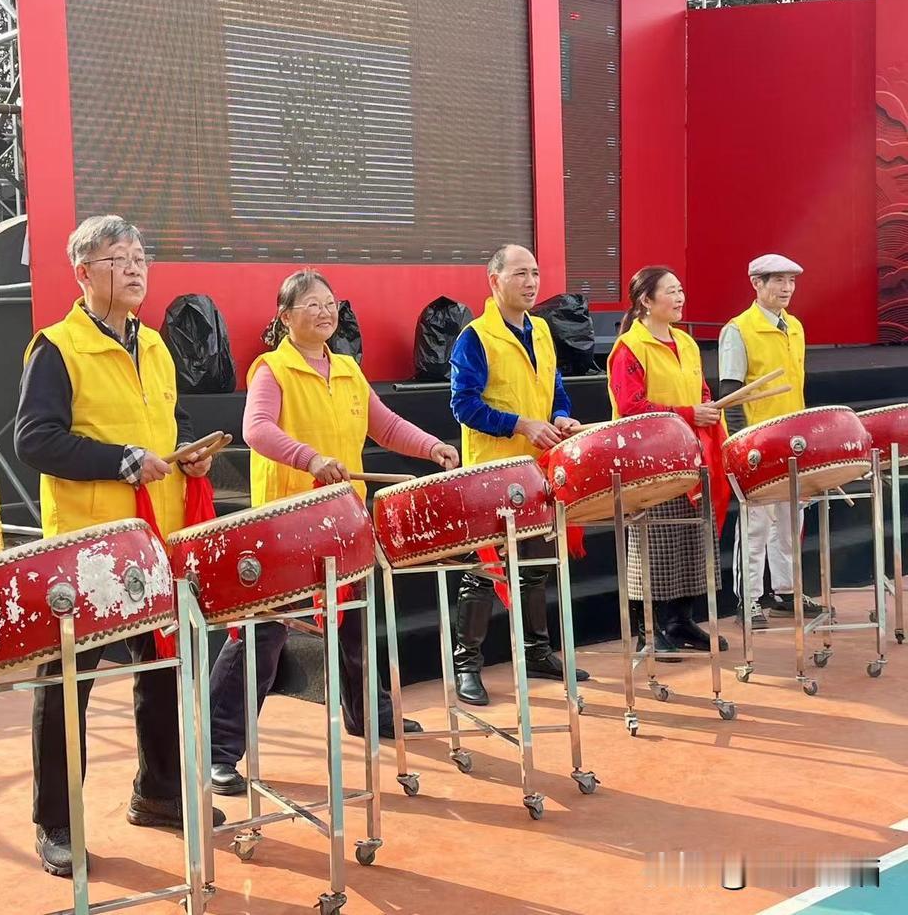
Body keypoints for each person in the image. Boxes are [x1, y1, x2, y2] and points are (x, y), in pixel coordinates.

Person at [14, 215, 224, 878]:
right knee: (67, 684)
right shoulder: (56, 347)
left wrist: (186, 455)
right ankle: (56, 822)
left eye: (140, 256)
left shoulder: (156, 345)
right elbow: (34, 439)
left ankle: (158, 791)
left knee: (161, 668)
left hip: (153, 538)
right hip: (89, 546)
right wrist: (120, 460)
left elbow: (168, 421)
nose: (135, 268)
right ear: (82, 273)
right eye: (118, 258)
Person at [205, 268, 459, 795]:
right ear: (285, 317)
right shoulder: (271, 370)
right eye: (312, 304)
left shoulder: (346, 369)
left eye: (331, 304)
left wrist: (430, 446)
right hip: (285, 524)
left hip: (345, 520)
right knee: (262, 635)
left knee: (357, 624)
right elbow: (256, 430)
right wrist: (311, 458)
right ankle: (218, 749)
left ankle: (370, 715)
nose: (325, 312)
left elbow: (385, 426)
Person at [448, 244, 590, 706]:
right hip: (490, 474)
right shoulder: (475, 337)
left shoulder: (544, 331)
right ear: (494, 281)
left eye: (535, 273)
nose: (531, 282)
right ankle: (467, 665)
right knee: (483, 571)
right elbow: (463, 405)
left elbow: (556, 390)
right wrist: (520, 424)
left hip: (538, 470)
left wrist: (562, 416)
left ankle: (535, 652)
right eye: (520, 274)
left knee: (534, 567)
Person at [607, 266, 728, 654]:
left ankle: (680, 621)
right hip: (650, 462)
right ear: (646, 300)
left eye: (681, 291)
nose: (680, 299)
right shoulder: (630, 347)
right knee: (654, 541)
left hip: (691, 454)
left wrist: (706, 406)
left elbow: (701, 389)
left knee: (692, 538)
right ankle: (649, 629)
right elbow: (630, 407)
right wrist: (690, 413)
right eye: (672, 292)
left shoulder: (687, 343)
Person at [717, 253, 818, 629]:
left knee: (791, 520)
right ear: (756, 284)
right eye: (777, 280)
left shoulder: (795, 327)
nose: (786, 288)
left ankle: (786, 591)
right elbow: (731, 392)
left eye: (791, 281)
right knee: (756, 524)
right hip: (758, 444)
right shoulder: (738, 330)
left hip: (793, 440)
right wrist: (744, 446)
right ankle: (750, 598)